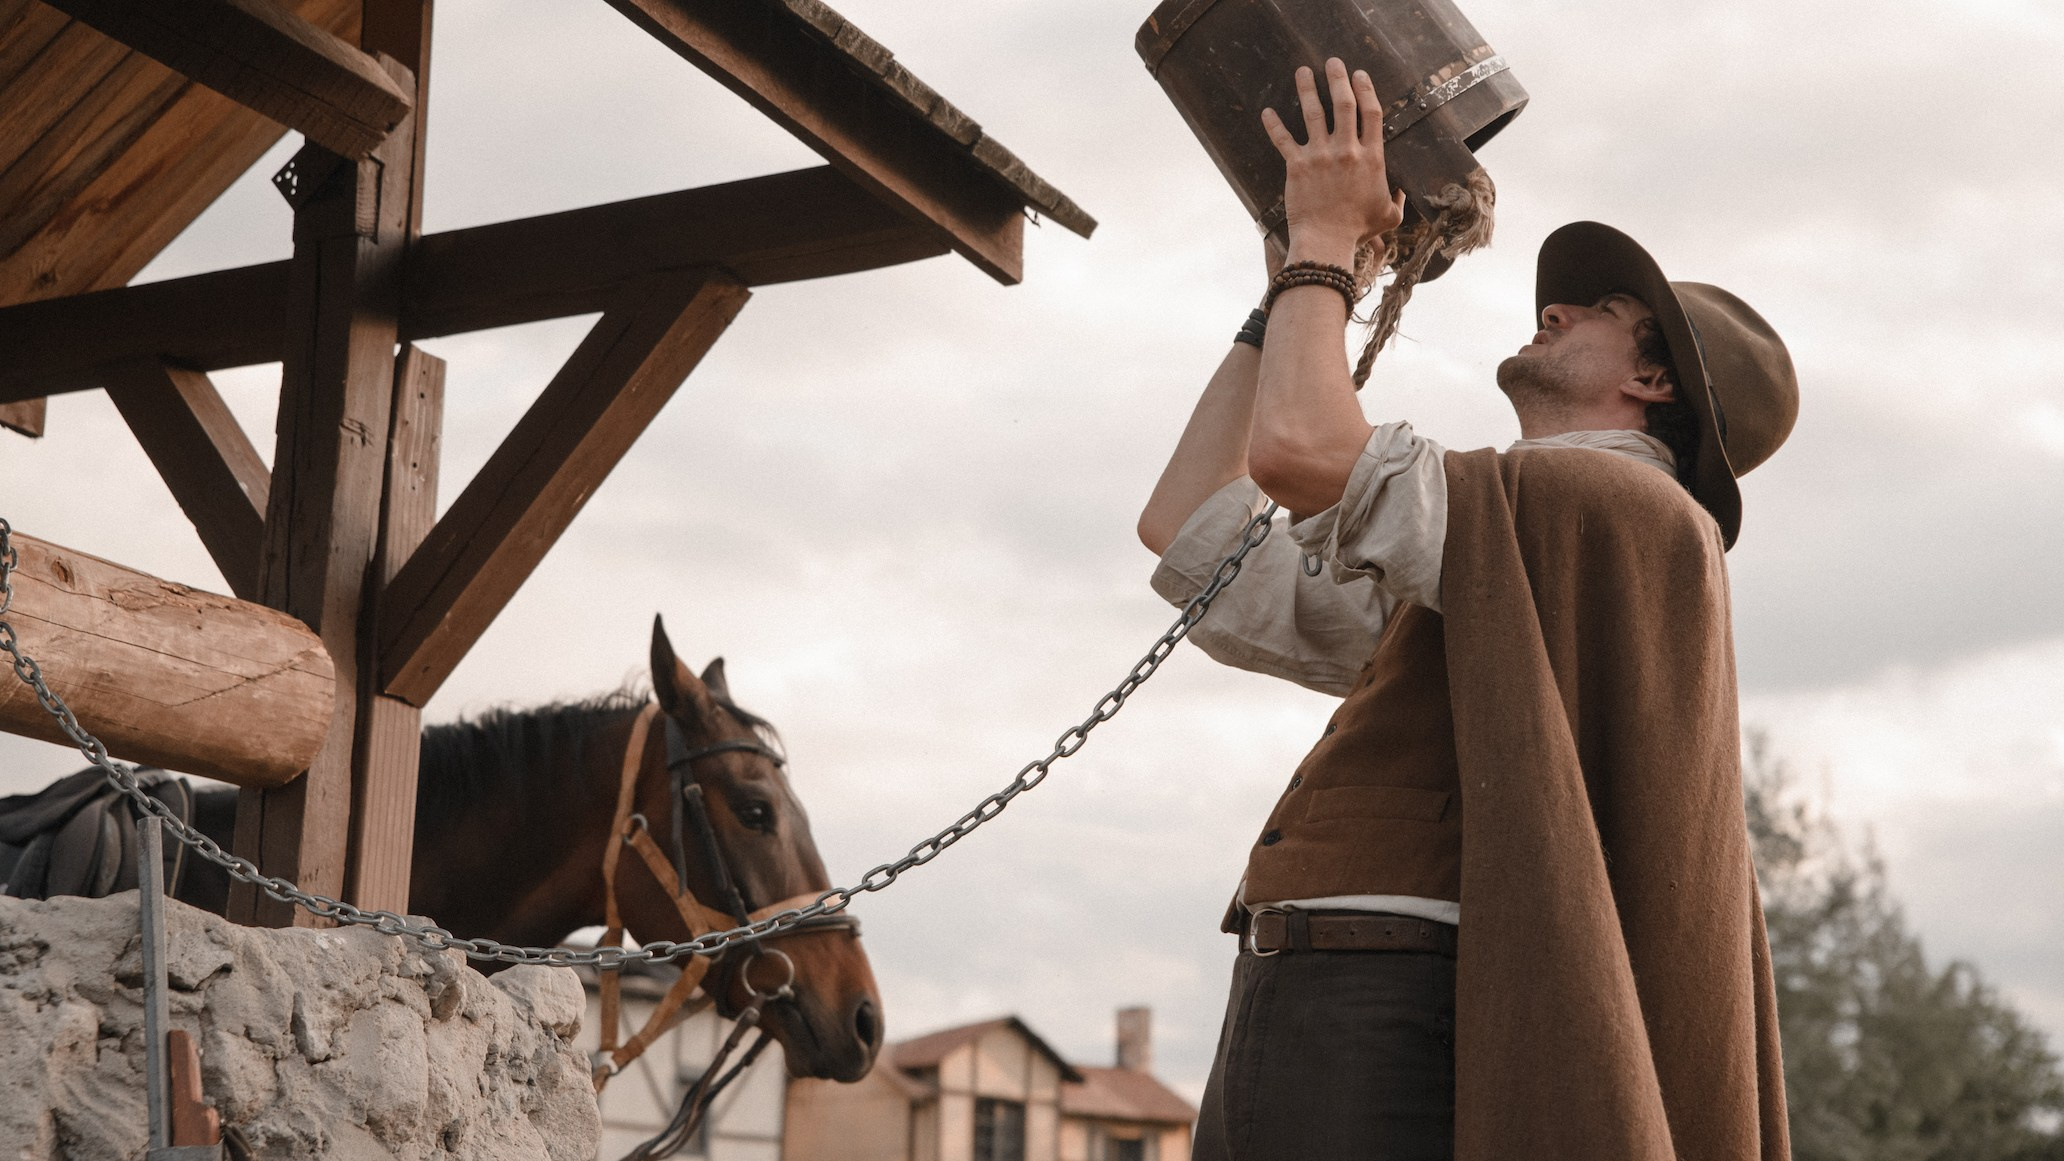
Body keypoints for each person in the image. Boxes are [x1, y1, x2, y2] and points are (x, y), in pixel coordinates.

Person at [1138, 59, 1799, 1160]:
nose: (1555, 310)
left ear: (1654, 384)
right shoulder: (1510, 549)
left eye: (1603, 312)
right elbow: (1188, 526)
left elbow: (1300, 452)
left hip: (1389, 994)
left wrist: (1324, 246)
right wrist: (1284, 297)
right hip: (1340, 984)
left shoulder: (1618, 507)